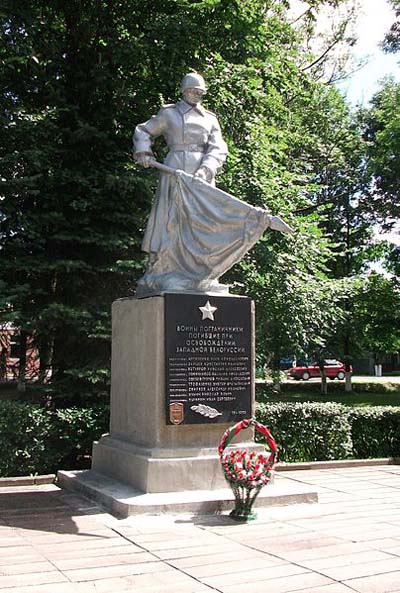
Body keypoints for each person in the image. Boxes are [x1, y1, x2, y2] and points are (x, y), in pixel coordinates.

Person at [134, 72, 291, 296]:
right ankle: (165, 270)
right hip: (175, 171)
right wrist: (143, 150)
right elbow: (143, 130)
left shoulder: (210, 118)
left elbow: (218, 147)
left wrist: (206, 169)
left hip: (203, 176)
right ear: (183, 90)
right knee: (173, 221)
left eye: (200, 92)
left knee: (202, 222)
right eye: (192, 90)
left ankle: (199, 273)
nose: (196, 95)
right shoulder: (169, 113)